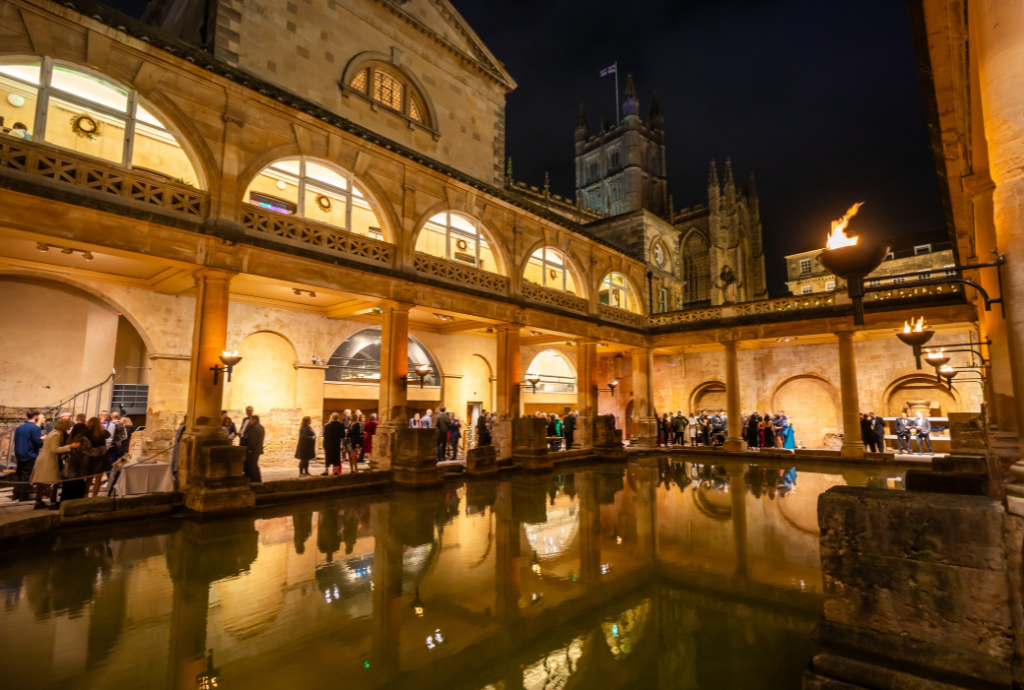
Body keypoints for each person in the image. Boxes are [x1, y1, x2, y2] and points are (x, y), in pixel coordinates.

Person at [30, 418, 77, 509]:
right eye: (69, 425)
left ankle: (39, 502)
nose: (69, 427)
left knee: (43, 482)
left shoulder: (55, 432)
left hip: (46, 460)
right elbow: (55, 449)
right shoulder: (56, 434)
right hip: (48, 461)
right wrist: (70, 447)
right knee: (52, 482)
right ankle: (52, 503)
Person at [62, 422, 106, 502]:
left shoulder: (70, 438)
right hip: (78, 470)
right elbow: (91, 452)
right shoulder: (82, 439)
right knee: (76, 494)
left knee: (67, 491)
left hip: (68, 468)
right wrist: (103, 449)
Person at [12, 411, 44, 501]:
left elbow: (16, 439)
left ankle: (16, 494)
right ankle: (23, 495)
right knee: (27, 475)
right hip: (29, 454)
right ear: (35, 416)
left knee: (19, 473)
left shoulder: (19, 427)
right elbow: (37, 441)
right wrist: (42, 440)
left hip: (19, 453)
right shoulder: (35, 428)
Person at [85, 416, 111, 497]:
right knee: (98, 478)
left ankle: (85, 495)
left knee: (89, 478)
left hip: (90, 456)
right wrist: (102, 428)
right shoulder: (101, 432)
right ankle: (94, 495)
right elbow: (108, 435)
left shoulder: (86, 433)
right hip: (101, 457)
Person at [244, 415, 264, 482]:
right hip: (258, 449)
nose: (250, 421)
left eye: (251, 420)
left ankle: (254, 479)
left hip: (254, 449)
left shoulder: (255, 427)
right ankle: (258, 478)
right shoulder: (261, 427)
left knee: (252, 464)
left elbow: (253, 439)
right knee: (255, 464)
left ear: (254, 419)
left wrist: (250, 448)